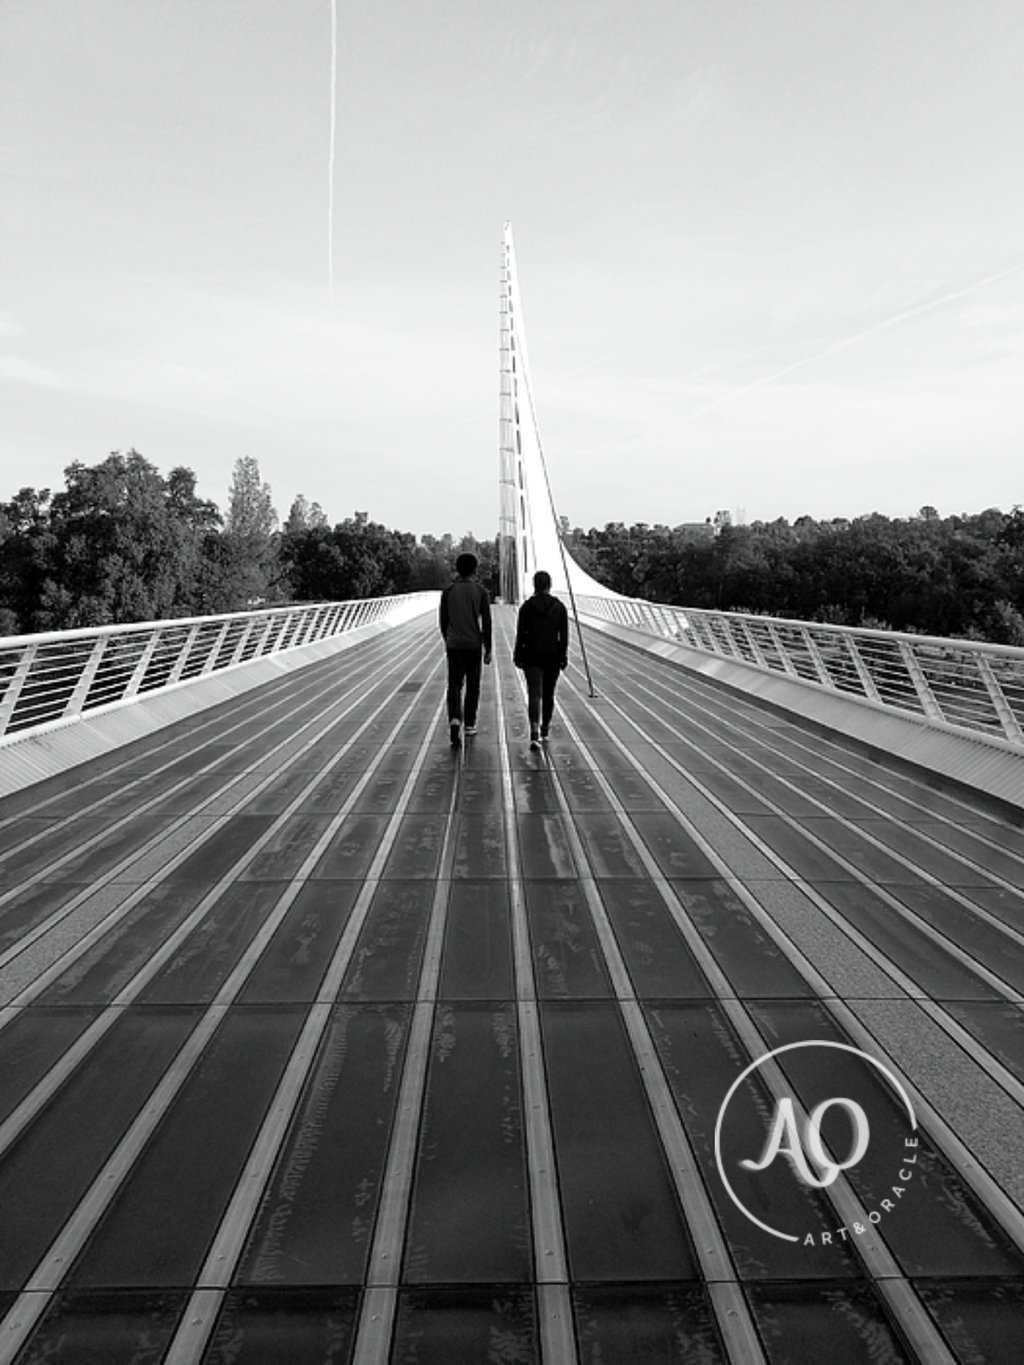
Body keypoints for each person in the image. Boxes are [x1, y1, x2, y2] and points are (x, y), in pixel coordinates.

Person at [439, 552, 492, 746]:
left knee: (454, 684)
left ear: (457, 569)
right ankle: (470, 724)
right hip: (473, 644)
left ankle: (454, 718)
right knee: (473, 684)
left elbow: (443, 621)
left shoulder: (448, 592)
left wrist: (448, 639)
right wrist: (488, 648)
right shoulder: (481, 592)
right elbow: (486, 622)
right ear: (475, 570)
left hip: (454, 645)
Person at [513, 570, 569, 748]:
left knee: (534, 694)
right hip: (552, 655)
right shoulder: (559, 607)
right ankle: (545, 728)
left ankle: (534, 731)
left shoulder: (526, 608)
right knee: (549, 694)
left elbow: (520, 634)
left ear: (534, 585)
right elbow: (564, 636)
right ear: (549, 585)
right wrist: (562, 656)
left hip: (532, 655)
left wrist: (518, 654)